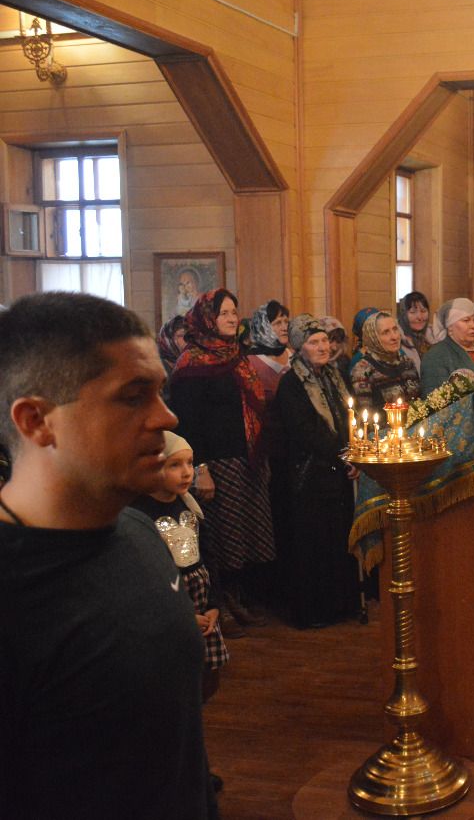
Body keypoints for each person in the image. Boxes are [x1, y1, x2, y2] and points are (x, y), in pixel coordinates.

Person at [0, 292, 215, 818]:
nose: (166, 417)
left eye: (160, 392)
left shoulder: (140, 532)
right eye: (133, 397)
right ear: (37, 421)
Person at [168, 289, 274, 630]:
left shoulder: (235, 354)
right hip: (215, 465)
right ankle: (220, 605)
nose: (231, 318)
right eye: (223, 313)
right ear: (207, 319)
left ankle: (238, 598)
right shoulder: (192, 363)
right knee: (222, 539)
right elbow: (188, 424)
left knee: (244, 536)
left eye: (233, 312)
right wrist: (200, 469)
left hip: (245, 459)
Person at [274, 315, 360, 629]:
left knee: (338, 540)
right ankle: (316, 611)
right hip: (309, 473)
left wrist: (354, 453)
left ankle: (342, 604)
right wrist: (342, 453)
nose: (323, 347)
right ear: (300, 347)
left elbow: (349, 415)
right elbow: (304, 430)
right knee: (314, 544)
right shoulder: (291, 383)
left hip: (338, 470)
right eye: (314, 342)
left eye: (325, 340)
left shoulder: (336, 375)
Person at [129, 431, 230, 697]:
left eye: (190, 463)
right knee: (173, 683)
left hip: (201, 606)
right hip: (168, 608)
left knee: (206, 682)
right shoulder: (138, 515)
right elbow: (145, 576)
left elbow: (208, 557)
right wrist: (179, 614)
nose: (187, 473)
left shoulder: (190, 508)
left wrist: (214, 604)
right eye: (174, 465)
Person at [419, 297, 474, 391]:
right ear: (450, 326)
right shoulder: (437, 355)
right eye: (466, 320)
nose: (473, 326)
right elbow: (434, 396)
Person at [348, 309, 423, 413]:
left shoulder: (407, 363)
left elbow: (419, 402)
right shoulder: (362, 371)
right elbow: (365, 415)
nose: (394, 337)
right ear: (373, 338)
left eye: (395, 329)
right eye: (385, 332)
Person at [244, 300, 292, 403]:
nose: (285, 328)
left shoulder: (294, 355)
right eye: (278, 323)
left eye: (286, 322)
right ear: (263, 327)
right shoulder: (250, 362)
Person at [398, 290, 445, 364]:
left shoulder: (435, 335)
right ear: (403, 314)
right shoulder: (396, 339)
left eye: (423, 311)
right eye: (413, 312)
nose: (419, 317)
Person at [157, 314, 189, 380]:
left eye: (189, 335)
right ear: (168, 340)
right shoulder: (159, 369)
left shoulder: (191, 363)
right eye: (181, 335)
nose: (187, 339)